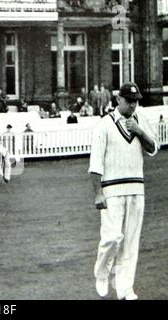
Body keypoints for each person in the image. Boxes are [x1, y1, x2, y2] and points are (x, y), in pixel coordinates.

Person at [89, 82, 158, 300]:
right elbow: (95, 163)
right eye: (128, 101)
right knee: (111, 237)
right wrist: (98, 193)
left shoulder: (141, 120)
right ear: (118, 100)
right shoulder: (104, 124)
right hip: (111, 189)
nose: (132, 106)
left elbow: (153, 148)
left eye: (135, 101)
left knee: (130, 241)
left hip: (136, 188)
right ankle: (101, 273)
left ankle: (125, 288)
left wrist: (139, 131)